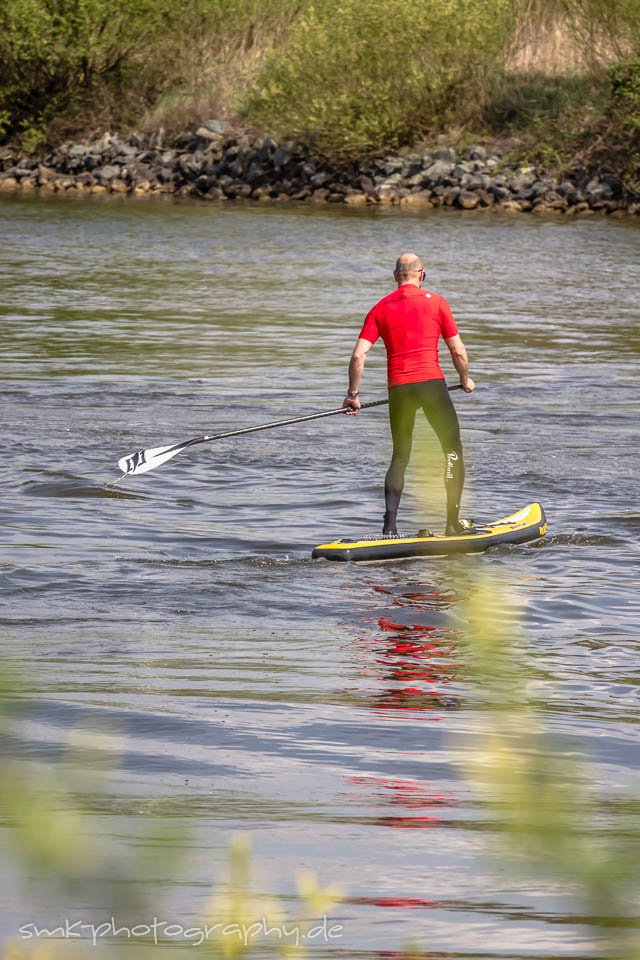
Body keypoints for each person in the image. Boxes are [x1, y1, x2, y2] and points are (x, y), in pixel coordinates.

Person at [342, 252, 475, 536]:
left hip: (399, 389)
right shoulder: (437, 302)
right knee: (451, 450)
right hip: (431, 385)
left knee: (400, 455)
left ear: (395, 277)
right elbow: (457, 350)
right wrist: (465, 379)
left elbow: (357, 357)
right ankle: (452, 524)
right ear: (422, 274)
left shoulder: (379, 308)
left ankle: (389, 528)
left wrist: (353, 394)